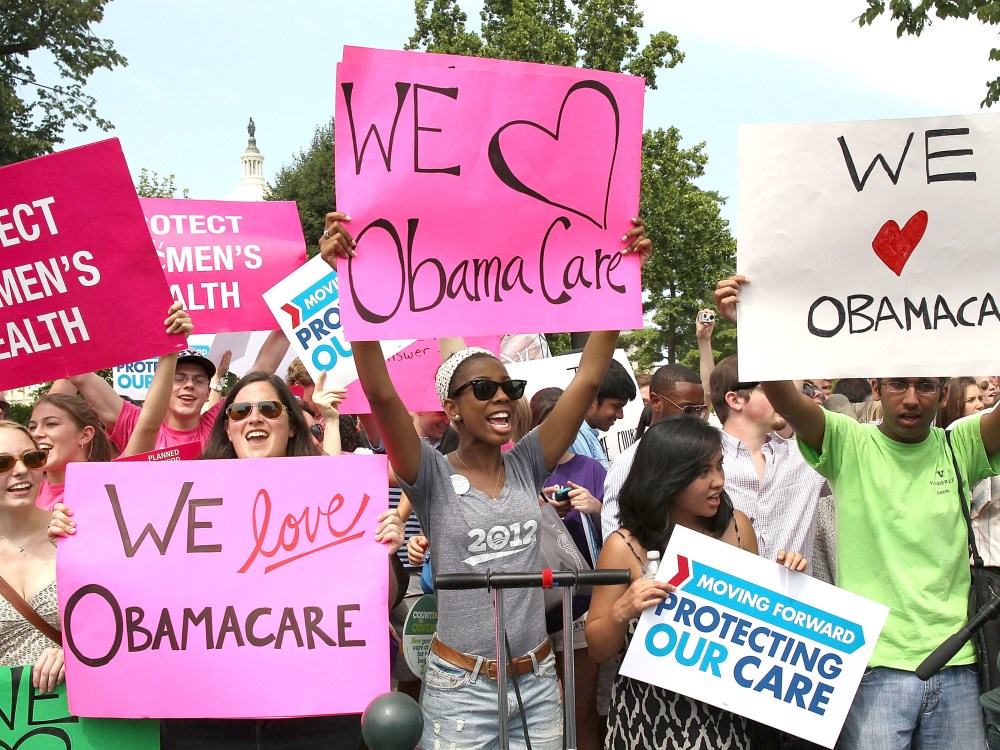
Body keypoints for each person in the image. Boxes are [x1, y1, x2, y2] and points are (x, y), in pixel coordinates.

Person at [319, 209, 651, 750]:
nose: (501, 396)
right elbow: (381, 395)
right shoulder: (428, 473)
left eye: (508, 386)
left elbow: (590, 374)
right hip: (460, 691)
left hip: (540, 682)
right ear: (451, 409)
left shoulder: (527, 460)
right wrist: (347, 281)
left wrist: (622, 274)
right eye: (483, 389)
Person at [717, 274, 1000, 750]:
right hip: (871, 667)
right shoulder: (847, 442)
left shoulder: (962, 444)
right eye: (897, 384)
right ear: (876, 386)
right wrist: (754, 327)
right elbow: (786, 396)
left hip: (958, 664)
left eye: (925, 386)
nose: (911, 398)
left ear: (943, 391)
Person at [50, 372, 405, 749]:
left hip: (314, 719)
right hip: (206, 721)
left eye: (268, 409)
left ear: (290, 427)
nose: (254, 418)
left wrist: (379, 551)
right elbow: (131, 583)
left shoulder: (338, 497)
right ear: (228, 428)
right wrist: (81, 536)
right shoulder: (178, 500)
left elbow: (383, 599)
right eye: (239, 411)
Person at [585, 415, 806, 749]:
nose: (718, 481)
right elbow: (598, 648)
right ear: (665, 478)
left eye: (719, 466)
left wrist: (788, 583)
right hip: (653, 719)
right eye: (703, 472)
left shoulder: (737, 527)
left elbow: (761, 624)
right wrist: (622, 610)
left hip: (734, 720)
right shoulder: (625, 546)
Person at [69, 314, 289, 452]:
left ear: (207, 393)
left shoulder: (219, 422)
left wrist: (296, 307)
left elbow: (265, 364)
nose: (190, 385)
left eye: (199, 380)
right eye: (179, 378)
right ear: (161, 387)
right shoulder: (134, 423)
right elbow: (80, 375)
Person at [600, 363, 705, 541]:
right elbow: (615, 539)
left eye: (700, 410)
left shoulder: (704, 457)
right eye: (687, 409)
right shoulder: (628, 464)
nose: (694, 417)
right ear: (656, 402)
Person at [0, 421, 63, 694]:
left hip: (82, 721)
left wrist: (80, 655)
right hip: (8, 729)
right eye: (3, 463)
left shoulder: (73, 532)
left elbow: (126, 623)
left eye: (32, 458)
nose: (22, 470)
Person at [569, 359, 637, 469]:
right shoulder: (576, 438)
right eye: (616, 406)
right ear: (591, 398)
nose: (620, 415)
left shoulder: (586, 435)